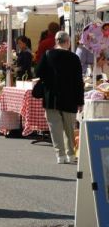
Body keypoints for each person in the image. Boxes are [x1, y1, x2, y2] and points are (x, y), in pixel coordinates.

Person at [35, 30, 84, 164]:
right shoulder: (74, 58)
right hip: (70, 98)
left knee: (55, 127)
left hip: (51, 97)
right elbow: (79, 81)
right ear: (67, 42)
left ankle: (60, 155)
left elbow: (38, 71)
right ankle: (71, 154)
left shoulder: (47, 54)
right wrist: (80, 101)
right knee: (69, 127)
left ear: (56, 41)